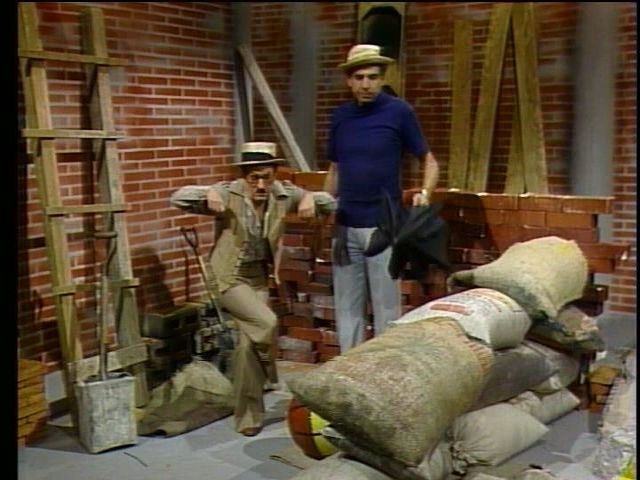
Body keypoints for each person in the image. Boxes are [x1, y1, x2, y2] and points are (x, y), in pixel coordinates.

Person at [170, 142, 335, 436]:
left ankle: (248, 417)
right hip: (229, 278)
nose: (260, 185)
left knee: (248, 346)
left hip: (258, 278)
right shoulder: (228, 193)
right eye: (254, 178)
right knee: (266, 323)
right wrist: (209, 192)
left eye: (266, 178)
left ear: (274, 175)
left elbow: (330, 203)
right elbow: (178, 198)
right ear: (244, 176)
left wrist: (310, 197)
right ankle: (269, 370)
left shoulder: (283, 195)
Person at [323, 44, 440, 353]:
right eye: (359, 77)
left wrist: (425, 193)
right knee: (347, 311)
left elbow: (429, 161)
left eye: (373, 77)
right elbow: (335, 169)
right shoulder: (341, 117)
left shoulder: (398, 112)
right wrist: (323, 205)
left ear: (382, 78)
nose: (366, 84)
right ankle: (350, 373)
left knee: (387, 311)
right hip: (345, 227)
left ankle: (383, 372)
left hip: (384, 228)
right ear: (349, 81)